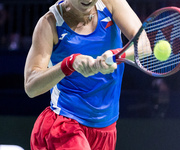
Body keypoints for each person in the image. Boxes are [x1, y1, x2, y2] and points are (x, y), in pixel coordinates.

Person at [24, 0, 146, 149]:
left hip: (106, 128)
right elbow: (31, 86)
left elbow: (144, 45)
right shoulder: (49, 24)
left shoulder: (111, 3)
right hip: (64, 125)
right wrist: (69, 64)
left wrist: (115, 55)